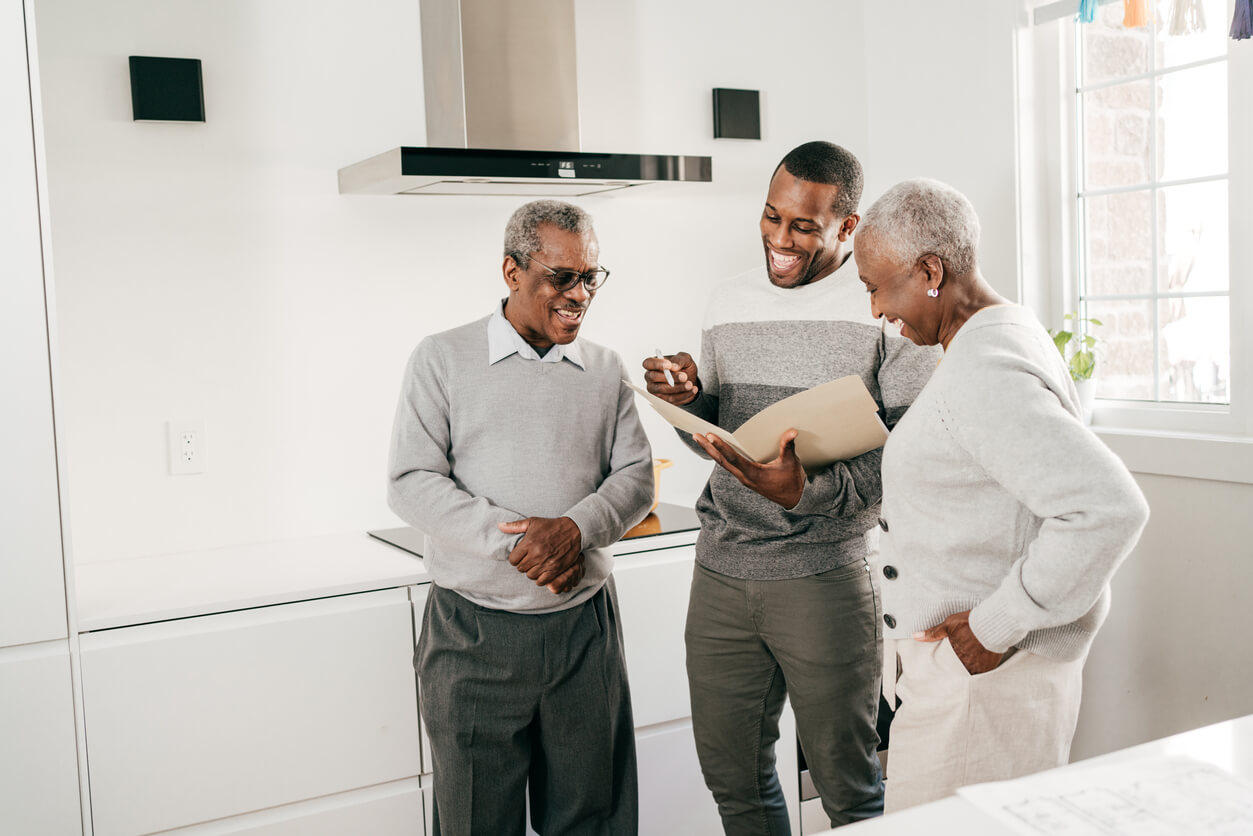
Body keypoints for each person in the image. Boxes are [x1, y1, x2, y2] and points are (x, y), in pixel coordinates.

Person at [642, 141, 939, 833]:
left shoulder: (884, 304)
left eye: (803, 226)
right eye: (771, 217)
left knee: (850, 792)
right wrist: (691, 401)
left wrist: (805, 493)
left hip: (825, 576)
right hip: (720, 571)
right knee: (735, 782)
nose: (780, 238)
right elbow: (724, 437)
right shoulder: (728, 299)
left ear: (848, 226)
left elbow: (911, 454)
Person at [854, 178, 1150, 811]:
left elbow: (1107, 508)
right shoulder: (1000, 334)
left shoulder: (982, 367)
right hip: (975, 682)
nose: (876, 309)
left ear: (930, 271)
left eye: (877, 287)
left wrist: (994, 626)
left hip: (979, 686)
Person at [388, 199, 653, 836]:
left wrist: (574, 531)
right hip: (472, 636)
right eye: (561, 277)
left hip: (583, 632)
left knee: (593, 821)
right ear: (512, 271)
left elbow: (638, 478)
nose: (579, 294)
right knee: (476, 823)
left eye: (590, 277)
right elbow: (410, 481)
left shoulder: (605, 369)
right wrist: (522, 543)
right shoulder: (442, 357)